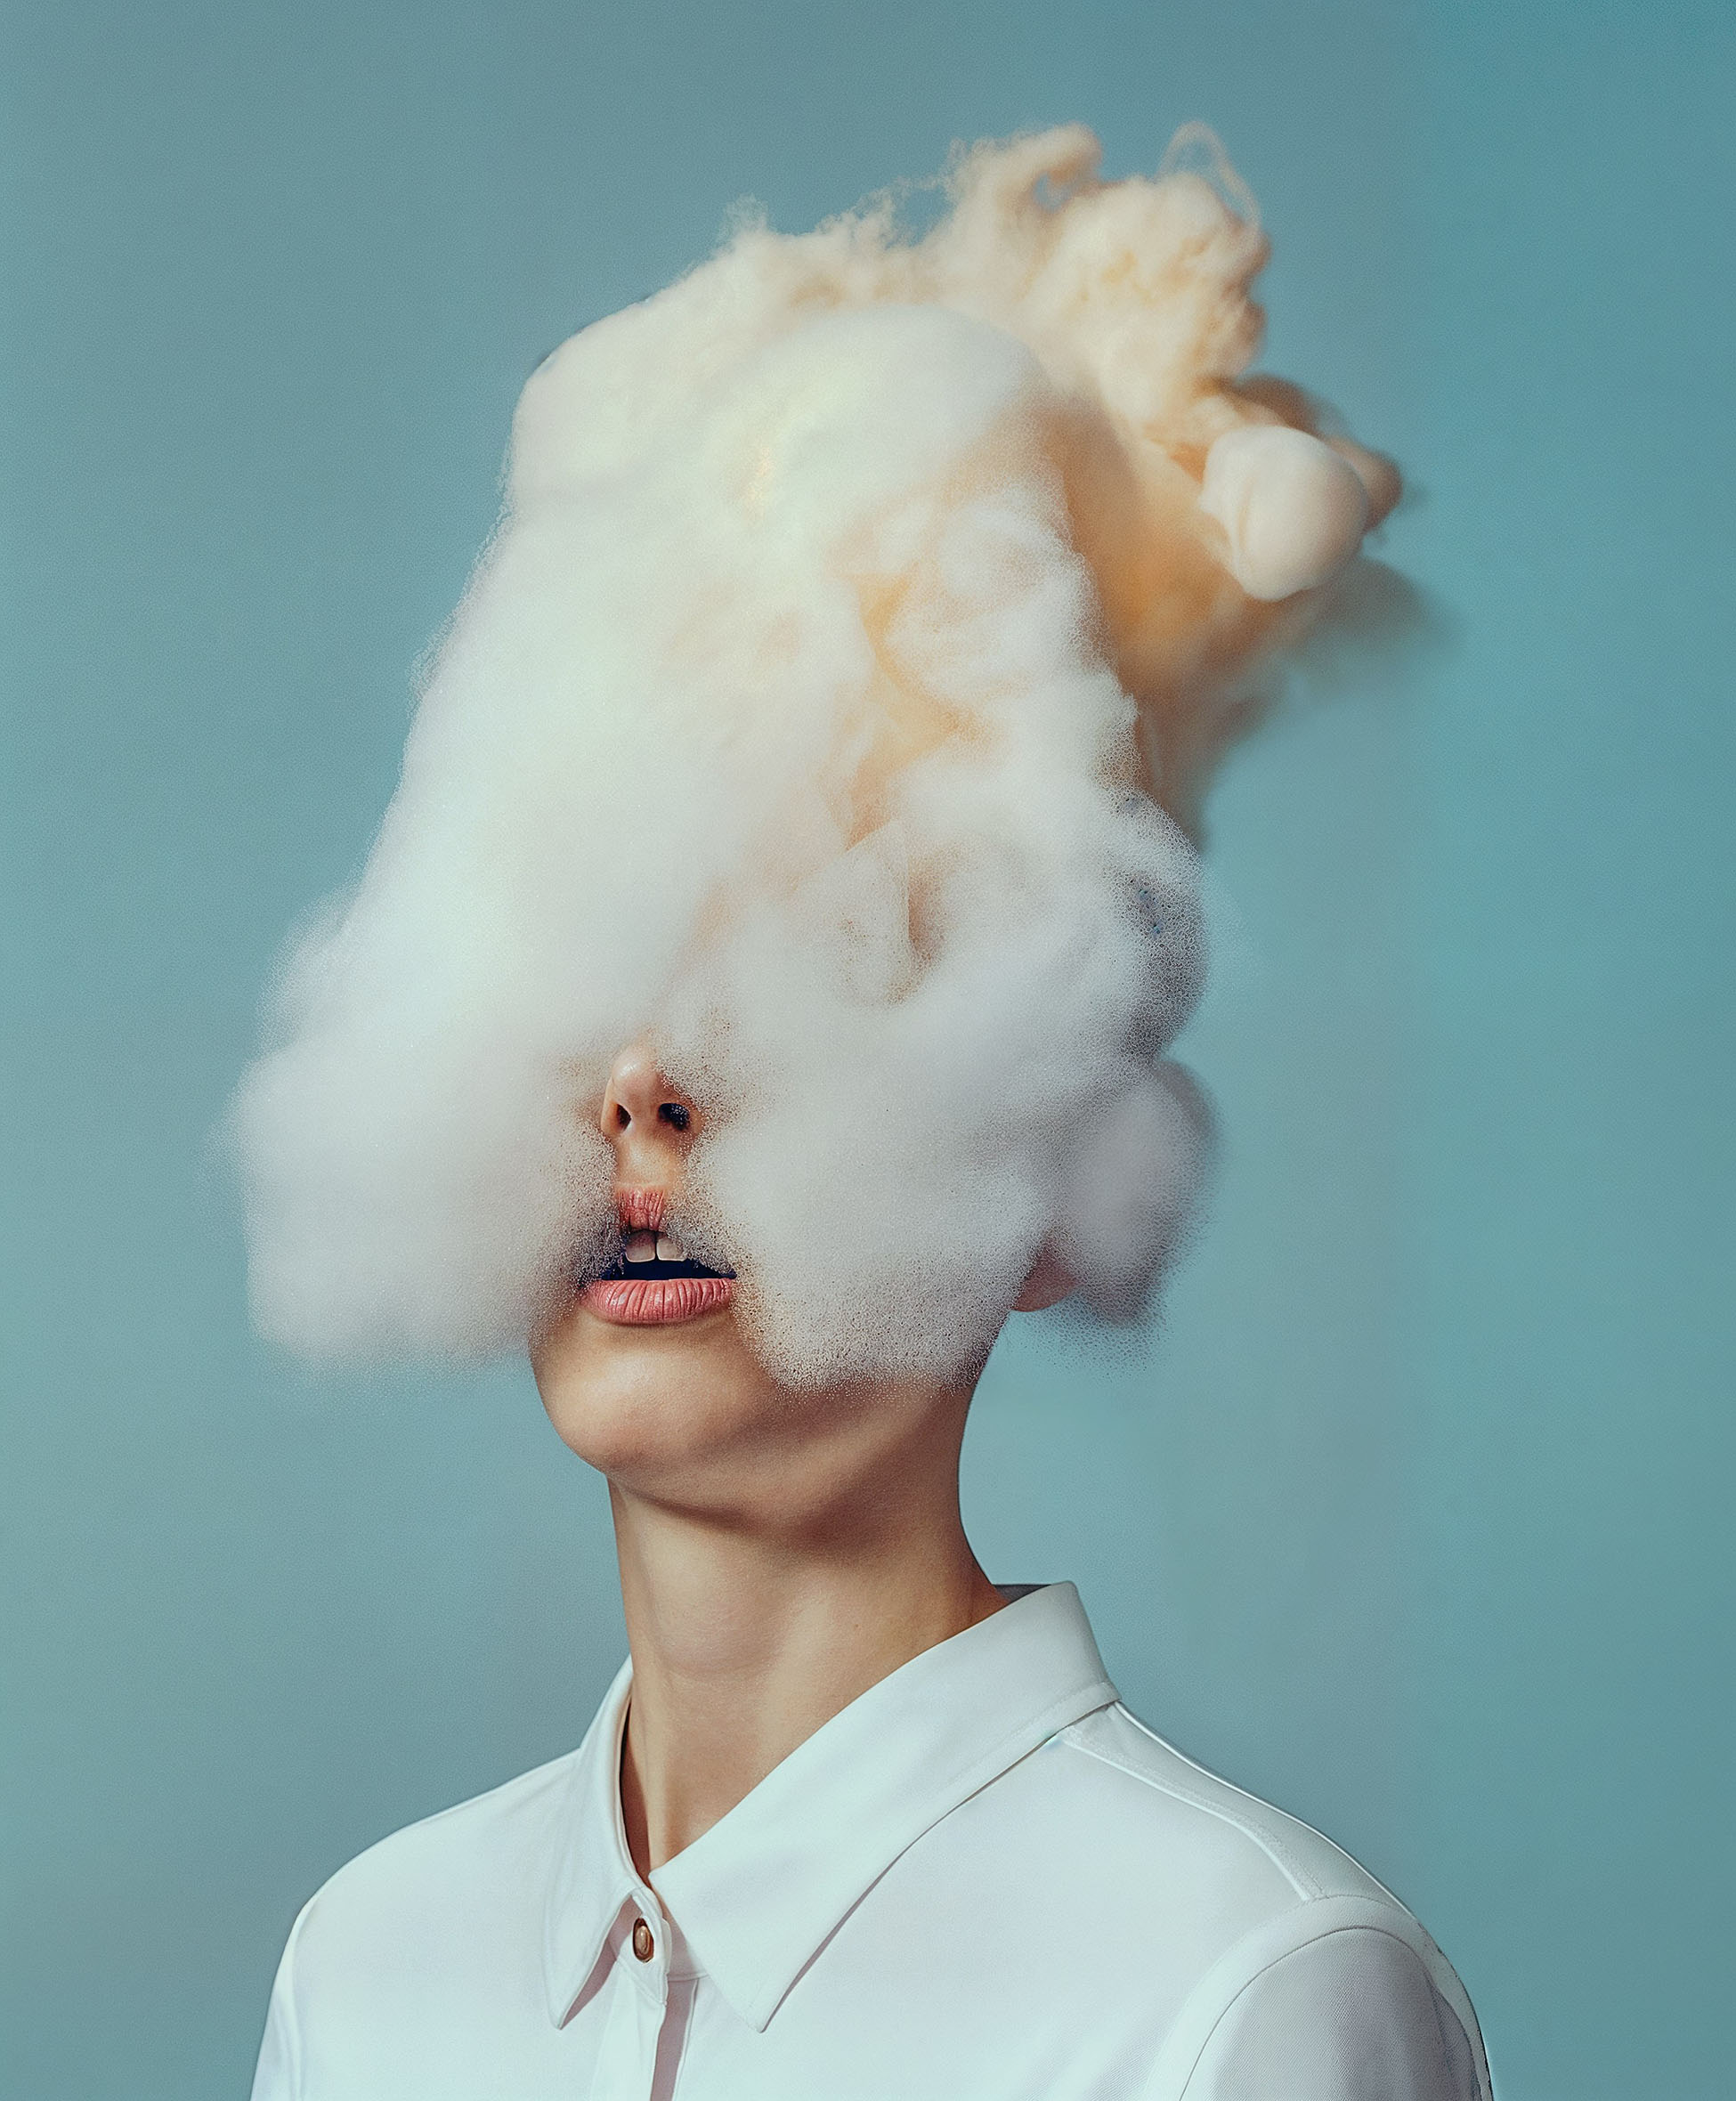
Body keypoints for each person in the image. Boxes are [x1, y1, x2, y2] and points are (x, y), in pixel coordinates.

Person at [240, 126, 1486, 2099]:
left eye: (818, 961)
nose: (642, 1085)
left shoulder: (1241, 1996)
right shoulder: (371, 1971)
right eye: (588, 953)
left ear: (1064, 1180)